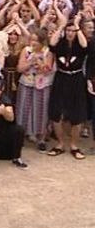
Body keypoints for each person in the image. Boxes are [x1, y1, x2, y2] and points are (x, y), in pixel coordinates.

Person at [48, 16, 89, 159]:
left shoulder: (80, 44)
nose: (71, 33)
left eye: (73, 30)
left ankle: (74, 145)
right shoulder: (60, 44)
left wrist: (77, 26)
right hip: (61, 78)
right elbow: (51, 44)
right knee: (56, 112)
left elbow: (85, 47)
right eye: (68, 30)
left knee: (77, 113)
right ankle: (60, 144)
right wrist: (61, 26)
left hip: (76, 79)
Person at [15, 28, 54, 152]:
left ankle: (41, 138)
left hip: (42, 84)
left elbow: (47, 70)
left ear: (42, 42)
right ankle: (20, 136)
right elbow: (20, 68)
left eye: (36, 41)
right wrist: (30, 62)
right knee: (23, 109)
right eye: (31, 40)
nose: (33, 43)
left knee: (41, 110)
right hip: (26, 83)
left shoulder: (47, 52)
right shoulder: (26, 51)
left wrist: (39, 62)